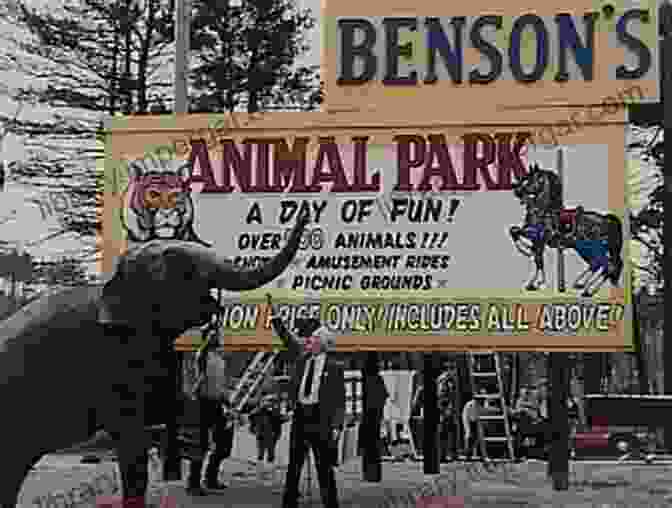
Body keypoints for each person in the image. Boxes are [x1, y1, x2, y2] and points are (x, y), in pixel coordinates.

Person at [268, 294, 346, 508]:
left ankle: (331, 503)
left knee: (324, 467)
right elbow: (287, 338)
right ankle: (289, 501)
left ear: (323, 343)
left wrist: (338, 424)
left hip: (321, 419)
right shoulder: (302, 358)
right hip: (301, 416)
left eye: (312, 339)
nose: (308, 341)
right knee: (294, 464)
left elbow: (340, 398)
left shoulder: (334, 366)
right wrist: (276, 319)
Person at [186, 329, 234, 495]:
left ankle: (211, 478)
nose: (217, 338)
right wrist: (209, 336)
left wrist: (227, 400)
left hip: (217, 403)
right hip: (202, 403)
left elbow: (220, 384)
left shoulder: (220, 359)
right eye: (213, 336)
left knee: (223, 445)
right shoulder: (202, 355)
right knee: (200, 445)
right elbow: (202, 354)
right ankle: (193, 483)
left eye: (217, 336)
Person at [249, 392, 287, 486]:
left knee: (269, 452)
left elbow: (280, 419)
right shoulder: (260, 411)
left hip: (272, 434)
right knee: (262, 452)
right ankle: (262, 472)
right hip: (263, 433)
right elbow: (252, 416)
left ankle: (267, 472)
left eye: (272, 401)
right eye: (268, 401)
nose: (270, 403)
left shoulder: (274, 411)